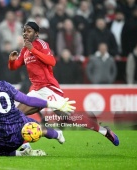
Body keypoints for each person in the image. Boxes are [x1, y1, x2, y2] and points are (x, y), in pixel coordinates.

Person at [8, 21, 119, 149]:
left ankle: (105, 132)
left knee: (71, 118)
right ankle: (25, 144)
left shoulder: (41, 44)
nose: (25, 33)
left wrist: (33, 50)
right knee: (16, 114)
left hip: (49, 88)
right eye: (24, 31)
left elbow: (52, 61)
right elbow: (14, 67)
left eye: (29, 31)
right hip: (36, 90)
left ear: (36, 33)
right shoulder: (24, 51)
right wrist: (11, 61)